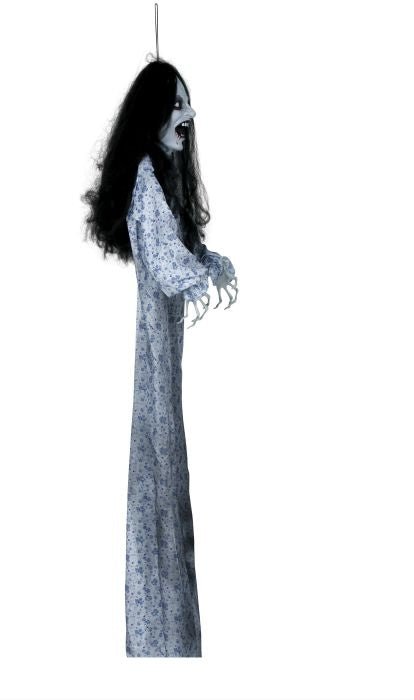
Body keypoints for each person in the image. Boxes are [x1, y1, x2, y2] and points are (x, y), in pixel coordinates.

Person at [82, 58, 238, 657]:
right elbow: (171, 264)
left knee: (166, 486)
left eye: (187, 102)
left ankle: (171, 645)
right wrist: (202, 271)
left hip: (163, 366)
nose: (188, 114)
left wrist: (207, 262)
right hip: (154, 365)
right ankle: (161, 648)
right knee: (157, 485)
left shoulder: (163, 178)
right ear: (149, 116)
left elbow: (182, 252)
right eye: (175, 105)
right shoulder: (146, 182)